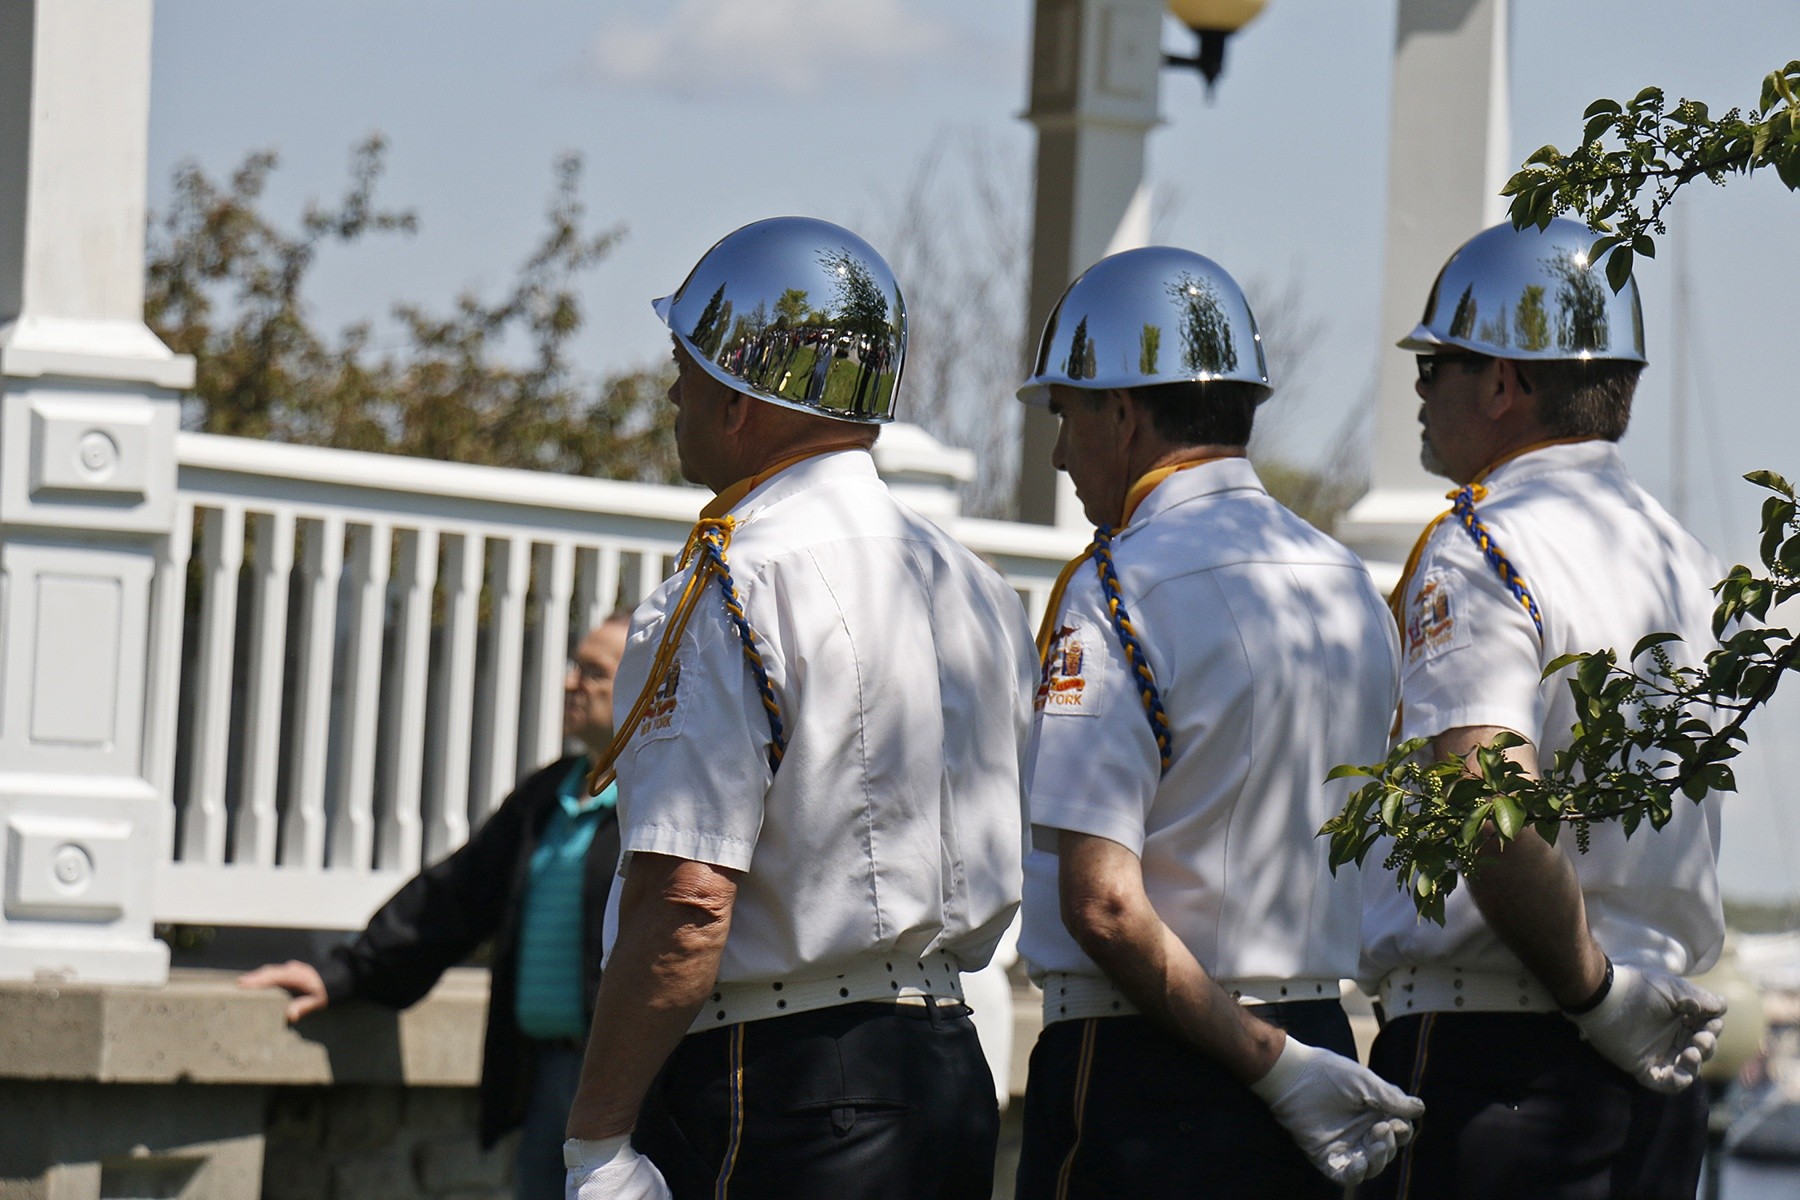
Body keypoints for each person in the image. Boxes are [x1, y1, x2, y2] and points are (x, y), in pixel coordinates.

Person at [559, 216, 1037, 1200]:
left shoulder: (739, 578)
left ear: (741, 398)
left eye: (686, 364)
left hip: (781, 1083)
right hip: (949, 1067)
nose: (672, 390)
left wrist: (596, 1142)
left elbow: (688, 897)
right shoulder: (978, 587)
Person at [1009, 245, 1424, 1199]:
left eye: (1067, 413)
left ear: (1124, 410)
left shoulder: (1115, 586)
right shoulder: (1350, 585)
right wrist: (1288, 1061)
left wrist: (1266, 1066)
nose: (1061, 452)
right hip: (1319, 1045)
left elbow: (1105, 903)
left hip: (1146, 1065)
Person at [1359, 217, 1727, 1200]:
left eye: (1437, 362)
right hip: (1657, 1064)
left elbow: (1486, 801)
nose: (1419, 387)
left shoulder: (1482, 540)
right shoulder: (1683, 559)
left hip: (1503, 1054)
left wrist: (1591, 992)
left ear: (1503, 384)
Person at [238, 615, 630, 1200]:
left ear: (640, 686)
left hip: (624, 1087)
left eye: (592, 672)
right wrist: (345, 972)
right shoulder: (548, 795)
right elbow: (454, 897)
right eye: (574, 666)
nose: (571, 682)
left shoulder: (656, 806)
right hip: (541, 1076)